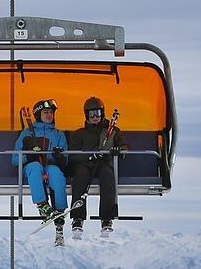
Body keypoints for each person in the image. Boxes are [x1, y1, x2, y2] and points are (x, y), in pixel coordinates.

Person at [67, 96, 129, 235]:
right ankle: (78, 217)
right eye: (91, 114)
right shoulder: (79, 134)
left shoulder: (112, 131)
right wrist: (89, 156)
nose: (95, 117)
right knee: (80, 177)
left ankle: (106, 218)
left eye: (98, 113)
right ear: (86, 115)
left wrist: (119, 151)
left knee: (108, 176)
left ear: (103, 113)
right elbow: (72, 154)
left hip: (104, 164)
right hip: (85, 165)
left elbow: (124, 147)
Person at [12, 99, 69, 222]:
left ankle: (59, 210)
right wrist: (29, 157)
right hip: (32, 168)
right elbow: (15, 160)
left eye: (51, 113)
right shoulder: (27, 134)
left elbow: (66, 160)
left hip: (49, 166)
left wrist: (59, 157)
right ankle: (42, 204)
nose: (49, 115)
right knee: (35, 167)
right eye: (46, 112)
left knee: (55, 172)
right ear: (38, 115)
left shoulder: (58, 134)